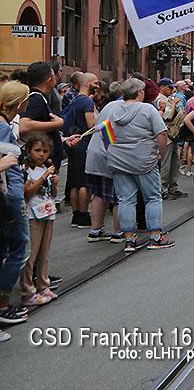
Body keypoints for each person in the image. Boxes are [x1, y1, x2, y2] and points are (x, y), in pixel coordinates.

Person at [95, 77, 174, 252]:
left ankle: (129, 239)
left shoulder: (112, 109)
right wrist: (160, 154)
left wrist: (113, 149)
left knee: (125, 199)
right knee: (152, 197)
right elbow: (161, 133)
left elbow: (103, 130)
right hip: (144, 160)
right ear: (139, 92)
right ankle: (155, 236)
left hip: (119, 161)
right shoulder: (148, 109)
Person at [0, 81, 30, 327]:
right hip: (10, 195)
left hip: (9, 194)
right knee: (19, 248)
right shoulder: (2, 127)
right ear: (20, 103)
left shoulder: (4, 124)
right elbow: (6, 162)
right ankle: (2, 303)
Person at [19, 132, 59, 306]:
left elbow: (53, 194)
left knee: (44, 253)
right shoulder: (27, 170)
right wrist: (43, 177)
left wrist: (54, 183)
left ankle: (43, 285)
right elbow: (27, 193)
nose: (42, 154)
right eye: (37, 150)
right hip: (33, 215)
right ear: (29, 151)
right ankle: (28, 290)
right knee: (31, 255)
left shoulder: (47, 168)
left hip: (48, 213)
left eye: (45, 151)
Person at [85, 81, 122, 242]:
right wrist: (114, 153)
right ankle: (119, 232)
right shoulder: (121, 107)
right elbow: (108, 132)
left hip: (94, 153)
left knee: (99, 195)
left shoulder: (108, 106)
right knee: (118, 196)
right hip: (107, 155)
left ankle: (95, 231)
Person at [62, 72, 97, 228]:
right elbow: (91, 125)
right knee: (84, 182)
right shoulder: (87, 102)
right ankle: (84, 215)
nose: (97, 86)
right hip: (84, 143)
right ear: (87, 84)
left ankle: (76, 214)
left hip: (73, 143)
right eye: (95, 83)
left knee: (74, 181)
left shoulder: (75, 100)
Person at [156, 78, 187, 199]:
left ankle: (173, 187)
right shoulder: (160, 99)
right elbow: (167, 116)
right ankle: (163, 189)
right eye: (169, 87)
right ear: (162, 87)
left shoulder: (167, 98)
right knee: (166, 163)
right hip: (166, 135)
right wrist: (174, 104)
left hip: (173, 134)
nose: (171, 89)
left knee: (175, 163)